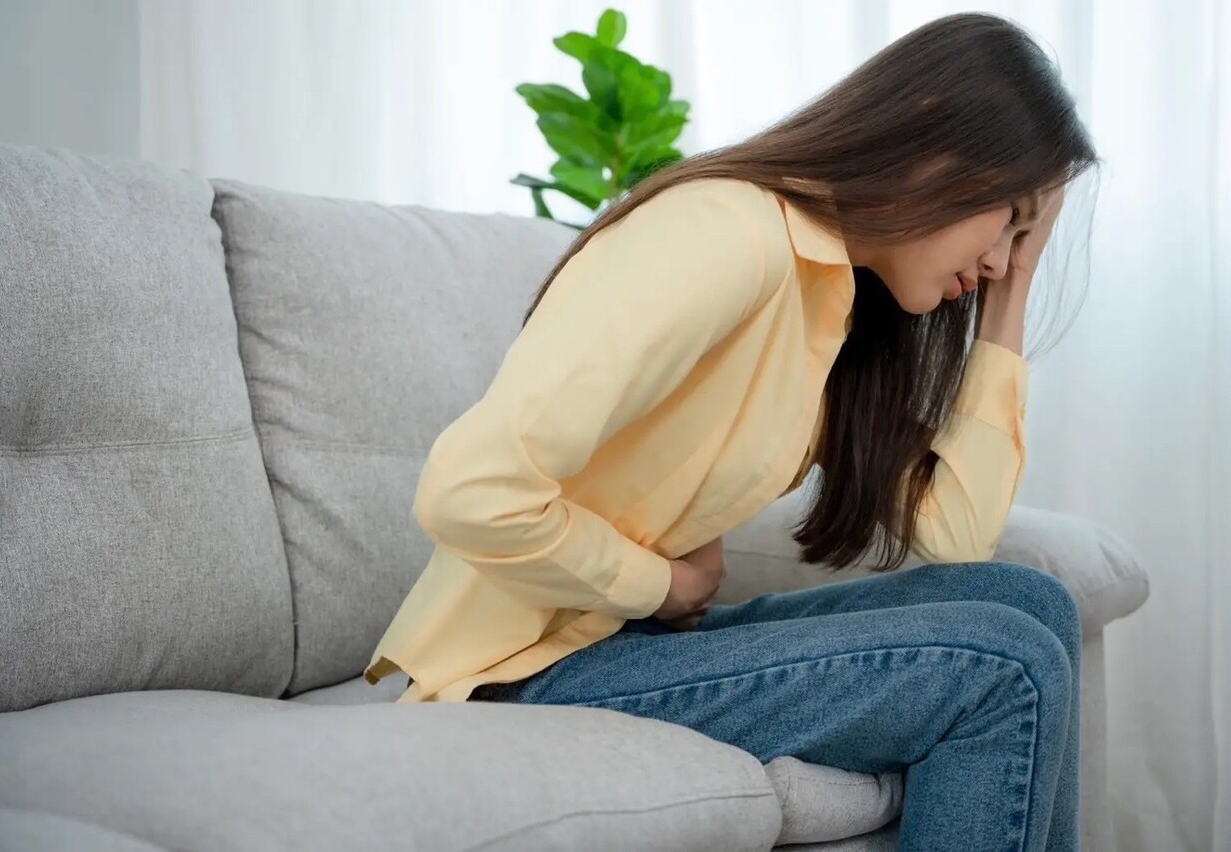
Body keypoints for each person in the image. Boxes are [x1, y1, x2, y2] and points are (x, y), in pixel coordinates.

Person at [363, 12, 1097, 851]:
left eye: (1023, 237)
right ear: (933, 141)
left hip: (622, 645)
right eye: (1007, 218)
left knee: (1030, 602)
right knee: (1004, 665)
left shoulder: (839, 301)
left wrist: (1013, 290)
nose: (1001, 258)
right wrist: (659, 585)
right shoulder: (725, 233)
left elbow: (956, 535)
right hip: (521, 668)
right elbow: (470, 492)